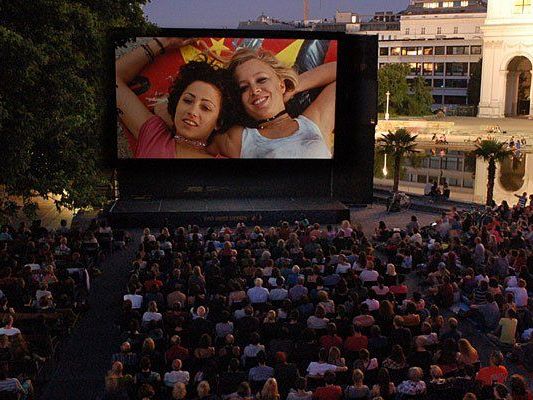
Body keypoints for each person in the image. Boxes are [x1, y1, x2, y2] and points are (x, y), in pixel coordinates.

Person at [116, 37, 236, 158]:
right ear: (177, 104)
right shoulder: (154, 134)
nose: (192, 111)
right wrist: (163, 42)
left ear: (219, 122)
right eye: (188, 100)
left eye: (205, 107)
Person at [209, 48, 336, 158]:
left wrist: (293, 87)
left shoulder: (314, 123)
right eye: (244, 88)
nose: (254, 90)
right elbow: (194, 138)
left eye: (261, 79)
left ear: (281, 84)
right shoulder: (240, 139)